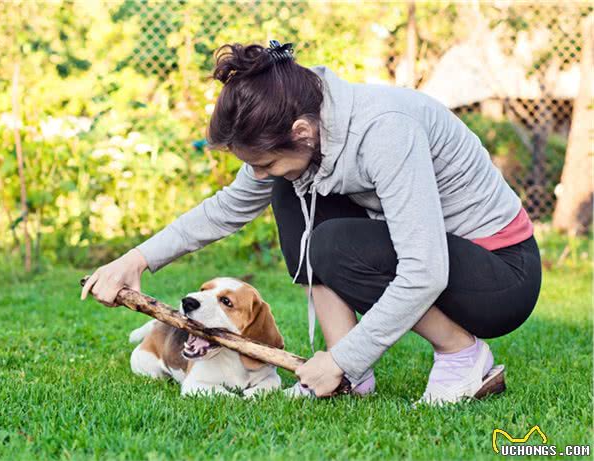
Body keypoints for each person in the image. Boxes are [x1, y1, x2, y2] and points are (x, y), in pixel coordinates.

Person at [81, 40, 542, 405]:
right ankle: (352, 380)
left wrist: (343, 358)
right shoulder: (306, 133)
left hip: (500, 272)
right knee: (288, 187)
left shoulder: (385, 131)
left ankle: (461, 355)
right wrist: (136, 259)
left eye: (261, 162)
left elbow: (424, 270)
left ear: (301, 132)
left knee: (333, 240)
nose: (255, 175)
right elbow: (227, 207)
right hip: (443, 256)